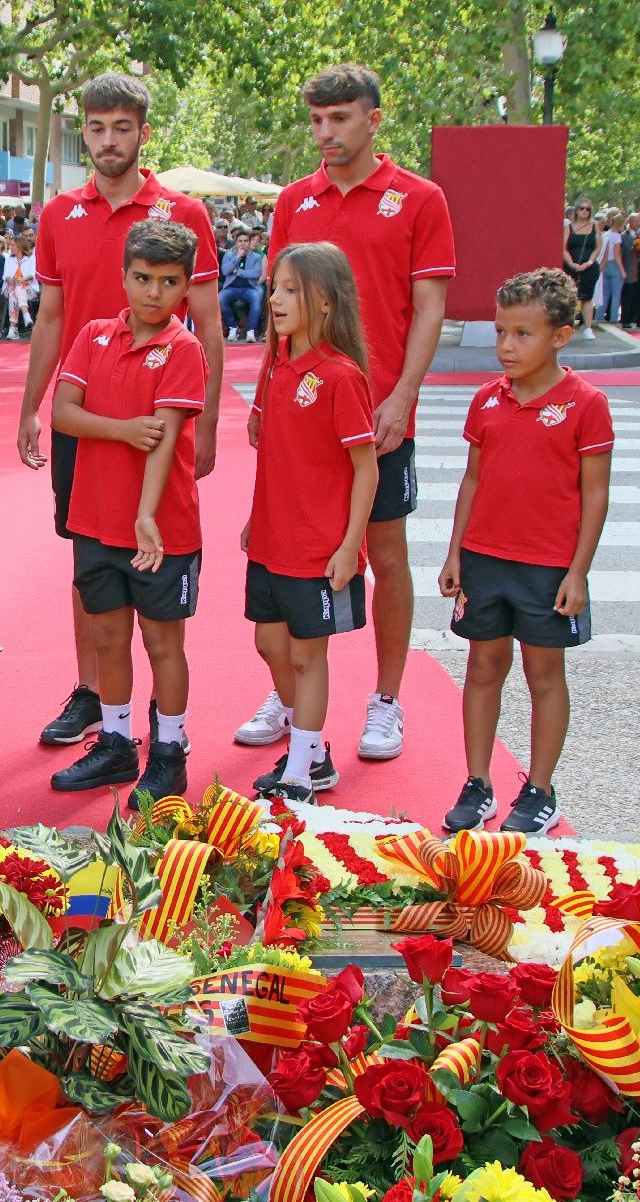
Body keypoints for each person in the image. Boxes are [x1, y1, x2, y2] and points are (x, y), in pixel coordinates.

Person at [250, 63, 454, 763]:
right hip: (299, 409)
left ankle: (387, 699)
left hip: (379, 413)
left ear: (374, 118)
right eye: (315, 120)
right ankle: (289, 697)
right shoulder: (294, 202)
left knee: (385, 557)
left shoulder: (419, 199)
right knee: (286, 548)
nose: (325, 133)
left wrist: (402, 396)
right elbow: (279, 302)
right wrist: (265, 388)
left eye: (339, 119)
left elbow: (430, 306)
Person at [15, 71, 223, 749]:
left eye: (122, 127)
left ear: (143, 132)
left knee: (155, 557)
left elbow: (210, 324)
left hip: (161, 417)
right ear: (84, 132)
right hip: (83, 417)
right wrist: (29, 407)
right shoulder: (57, 214)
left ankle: (164, 735)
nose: (109, 141)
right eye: (97, 128)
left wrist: (212, 420)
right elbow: (48, 318)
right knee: (89, 560)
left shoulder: (183, 215)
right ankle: (93, 693)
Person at [438, 269, 612, 836]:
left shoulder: (587, 405)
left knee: (543, 674)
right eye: (501, 333)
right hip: (484, 560)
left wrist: (578, 572)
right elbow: (472, 481)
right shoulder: (487, 400)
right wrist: (455, 553)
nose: (507, 347)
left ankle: (540, 789)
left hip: (547, 566)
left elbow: (594, 492)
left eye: (522, 334)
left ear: (560, 336)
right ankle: (478, 781)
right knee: (483, 667)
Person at [47, 221, 208, 803]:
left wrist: (146, 516)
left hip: (161, 529)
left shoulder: (183, 349)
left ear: (186, 287)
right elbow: (63, 412)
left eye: (168, 282)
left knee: (164, 644)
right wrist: (121, 429)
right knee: (109, 638)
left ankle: (169, 751)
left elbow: (163, 441)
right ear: (123, 277)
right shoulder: (92, 335)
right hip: (94, 521)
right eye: (142, 278)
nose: (152, 293)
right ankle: (116, 745)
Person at [241, 243, 378, 805]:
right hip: (272, 540)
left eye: (291, 290)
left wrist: (351, 547)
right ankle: (311, 749)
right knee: (268, 643)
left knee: (306, 654)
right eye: (275, 287)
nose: (275, 299)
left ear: (325, 302)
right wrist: (255, 520)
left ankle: (303, 770)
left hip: (319, 548)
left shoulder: (341, 377)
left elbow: (366, 471)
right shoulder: (276, 368)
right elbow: (276, 458)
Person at [562, 199, 600, 341]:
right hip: (571, 266)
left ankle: (588, 327)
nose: (585, 211)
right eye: (582, 208)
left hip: (589, 266)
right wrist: (571, 263)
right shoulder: (568, 228)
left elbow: (598, 247)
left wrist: (590, 262)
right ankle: (568, 326)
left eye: (588, 209)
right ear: (577, 210)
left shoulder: (595, 226)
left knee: (587, 297)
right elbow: (564, 248)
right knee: (570, 296)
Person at [218, 229, 265, 341]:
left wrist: (238, 272)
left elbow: (256, 273)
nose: (243, 243)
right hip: (231, 288)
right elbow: (225, 271)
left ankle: (251, 330)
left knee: (256, 299)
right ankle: (233, 327)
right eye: (240, 241)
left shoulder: (256, 257)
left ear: (249, 242)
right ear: (236, 242)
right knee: (220, 299)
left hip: (249, 287)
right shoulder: (229, 255)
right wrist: (237, 257)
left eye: (245, 241)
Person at [619, 213, 640, 330]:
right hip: (628, 268)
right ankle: (626, 319)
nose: (638, 223)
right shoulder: (623, 236)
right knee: (627, 295)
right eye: (636, 220)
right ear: (630, 222)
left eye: (639, 220)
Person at [4, 233, 37, 339]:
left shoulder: (31, 259)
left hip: (29, 289)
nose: (10, 247)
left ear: (20, 246)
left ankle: (13, 329)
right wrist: (11, 279)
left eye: (13, 245)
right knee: (15, 291)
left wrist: (23, 279)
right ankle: (26, 316)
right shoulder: (9, 260)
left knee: (16, 292)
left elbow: (33, 274)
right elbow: (5, 276)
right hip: (12, 287)